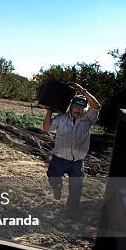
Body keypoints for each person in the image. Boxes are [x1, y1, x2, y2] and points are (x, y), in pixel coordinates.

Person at [43, 82, 101, 218]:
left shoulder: (88, 119)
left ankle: (72, 210)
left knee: (76, 188)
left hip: (77, 161)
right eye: (76, 107)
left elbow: (96, 106)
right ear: (71, 106)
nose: (78, 111)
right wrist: (49, 112)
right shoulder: (61, 118)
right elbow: (46, 128)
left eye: (81, 108)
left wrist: (83, 90)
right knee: (53, 178)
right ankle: (57, 188)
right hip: (59, 158)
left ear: (85, 109)